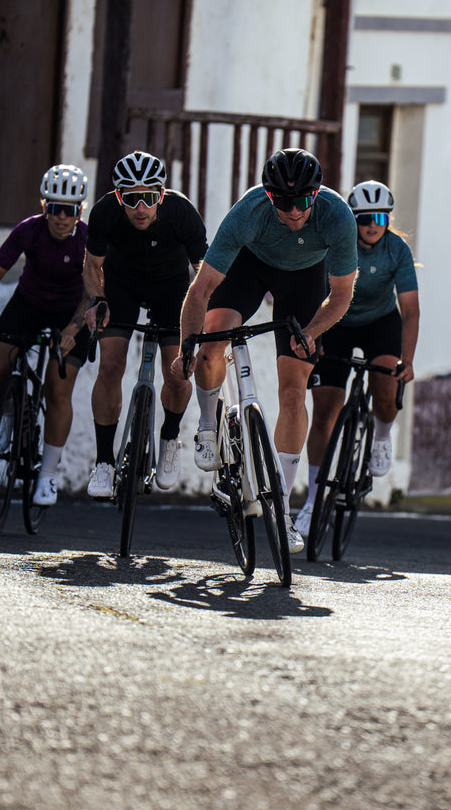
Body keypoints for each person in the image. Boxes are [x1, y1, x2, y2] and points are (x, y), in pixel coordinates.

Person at [172, 148, 358, 554]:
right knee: (213, 339)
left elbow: (341, 296)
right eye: (284, 203)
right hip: (250, 266)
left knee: (294, 390)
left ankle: (281, 509)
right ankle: (208, 422)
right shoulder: (249, 211)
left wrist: (310, 332)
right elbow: (201, 289)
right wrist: (189, 342)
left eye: (302, 202)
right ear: (270, 197)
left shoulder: (337, 216)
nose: (294, 213)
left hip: (306, 277)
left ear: (317, 194)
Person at [64, 151, 208, 500]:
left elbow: (204, 269)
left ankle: (170, 437)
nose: (141, 207)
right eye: (131, 199)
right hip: (121, 283)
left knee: (177, 371)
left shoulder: (181, 212)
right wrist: (98, 300)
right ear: (118, 197)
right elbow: (93, 265)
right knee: (111, 365)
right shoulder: (104, 212)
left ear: (162, 195)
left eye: (149, 197)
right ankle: (103, 462)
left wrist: (204, 320)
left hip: (171, 287)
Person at [0, 164, 93, 508]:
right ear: (43, 206)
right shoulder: (28, 231)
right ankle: (10, 411)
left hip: (72, 313)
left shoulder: (88, 240)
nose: (61, 218)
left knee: (57, 387)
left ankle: (47, 476)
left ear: (80, 211)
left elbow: (94, 294)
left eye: (69, 211)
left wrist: (72, 330)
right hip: (29, 303)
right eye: (54, 208)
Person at [294, 180, 419, 537]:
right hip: (338, 322)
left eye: (380, 217)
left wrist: (406, 360)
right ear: (353, 219)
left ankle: (381, 435)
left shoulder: (397, 250)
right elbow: (317, 292)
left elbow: (410, 311)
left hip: (381, 323)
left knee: (385, 382)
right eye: (364, 218)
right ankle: (313, 499)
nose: (373, 225)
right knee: (325, 410)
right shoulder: (338, 244)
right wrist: (314, 335)